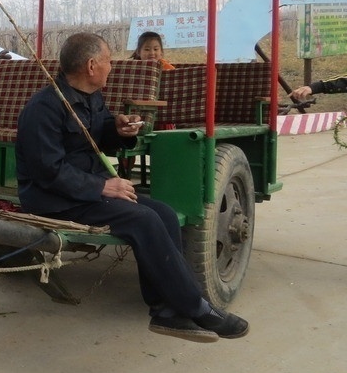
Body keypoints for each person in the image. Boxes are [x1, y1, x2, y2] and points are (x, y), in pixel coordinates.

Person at [15, 32, 249, 342]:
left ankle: (165, 310)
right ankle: (197, 307)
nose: (111, 67)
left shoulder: (90, 97)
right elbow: (48, 172)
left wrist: (119, 129)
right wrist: (103, 186)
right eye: (108, 61)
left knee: (164, 213)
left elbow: (98, 135)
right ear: (91, 65)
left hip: (86, 191)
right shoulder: (44, 108)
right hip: (53, 198)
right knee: (145, 220)